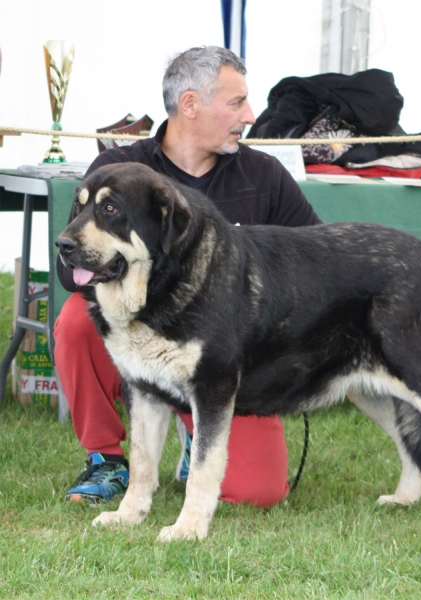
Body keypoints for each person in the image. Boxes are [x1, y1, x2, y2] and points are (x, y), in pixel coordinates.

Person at [55, 46, 320, 507]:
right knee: (77, 321)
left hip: (223, 363)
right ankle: (106, 459)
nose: (251, 115)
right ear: (191, 105)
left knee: (258, 493)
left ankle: (191, 440)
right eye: (236, 102)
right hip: (140, 346)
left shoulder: (264, 175)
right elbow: (69, 273)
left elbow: (314, 256)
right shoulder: (118, 171)